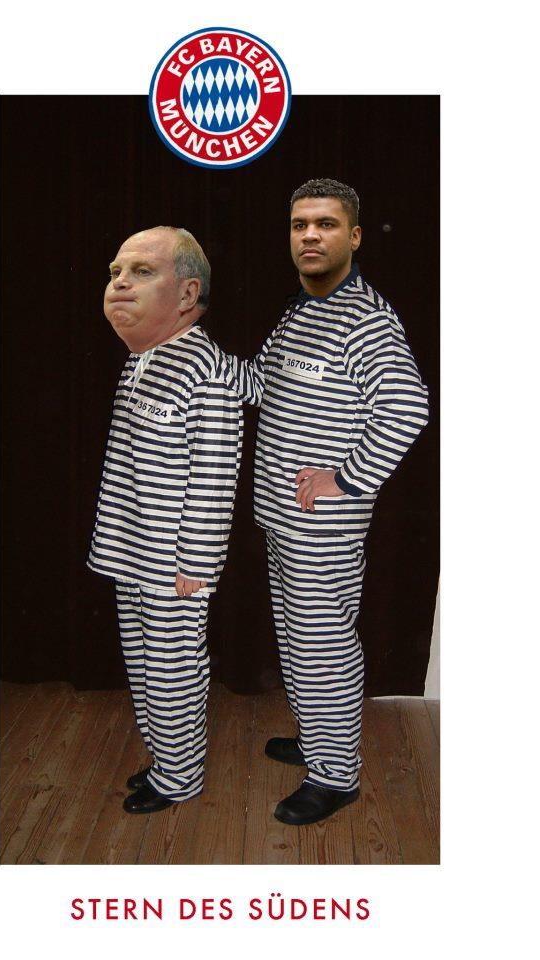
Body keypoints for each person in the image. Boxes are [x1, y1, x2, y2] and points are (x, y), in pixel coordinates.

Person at [222, 178, 429, 826]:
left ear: (354, 236)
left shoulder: (365, 320)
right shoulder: (301, 311)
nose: (310, 235)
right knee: (297, 635)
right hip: (282, 516)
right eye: (299, 225)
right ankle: (319, 740)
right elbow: (261, 383)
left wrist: (346, 479)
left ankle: (336, 777)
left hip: (323, 526)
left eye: (326, 224)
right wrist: (197, 356)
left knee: (323, 645)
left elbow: (408, 407)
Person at [88, 226, 243, 815]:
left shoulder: (206, 373)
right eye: (115, 272)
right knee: (142, 659)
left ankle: (179, 776)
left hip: (174, 562)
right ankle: (164, 760)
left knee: (172, 667)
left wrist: (196, 564)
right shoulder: (144, 359)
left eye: (142, 271)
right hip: (132, 547)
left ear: (187, 294)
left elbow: (213, 477)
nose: (120, 283)